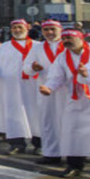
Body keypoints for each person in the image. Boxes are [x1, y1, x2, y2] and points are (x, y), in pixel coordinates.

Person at [39, 28, 90, 178]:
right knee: (72, 132)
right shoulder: (62, 57)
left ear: (81, 38)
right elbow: (56, 77)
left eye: (70, 37)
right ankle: (74, 165)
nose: (67, 41)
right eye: (64, 38)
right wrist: (49, 87)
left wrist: (86, 74)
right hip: (77, 100)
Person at [0, 19, 39, 155]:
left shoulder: (38, 46)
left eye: (20, 27)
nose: (17, 30)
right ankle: (17, 143)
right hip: (10, 87)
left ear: (27, 28)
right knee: (14, 114)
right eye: (14, 28)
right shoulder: (3, 47)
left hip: (33, 85)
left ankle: (39, 143)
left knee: (36, 114)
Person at [22, 19, 67, 164]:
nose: (50, 33)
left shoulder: (68, 45)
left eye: (53, 29)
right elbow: (26, 67)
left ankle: (78, 154)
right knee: (49, 121)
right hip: (45, 88)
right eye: (46, 30)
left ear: (60, 30)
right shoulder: (37, 48)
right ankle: (52, 153)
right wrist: (32, 68)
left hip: (67, 89)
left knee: (71, 121)